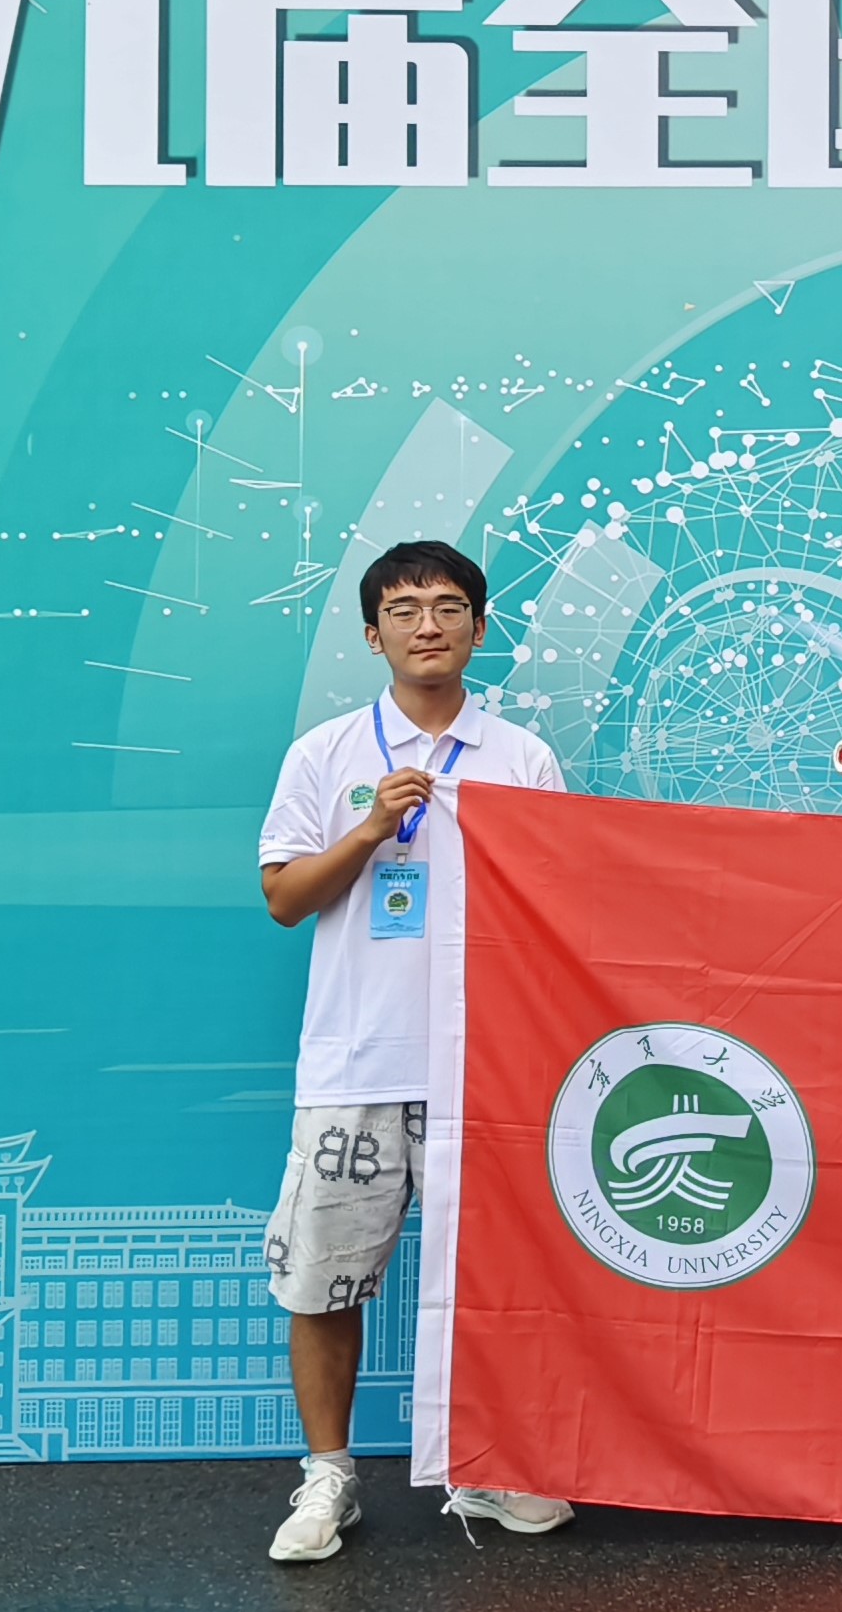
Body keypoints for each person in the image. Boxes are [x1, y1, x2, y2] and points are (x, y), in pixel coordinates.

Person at [254, 540, 575, 1562]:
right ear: (372, 633)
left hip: (485, 1068)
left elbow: (563, 905)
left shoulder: (521, 758)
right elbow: (283, 897)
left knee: (493, 1277)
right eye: (403, 609)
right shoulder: (326, 753)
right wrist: (366, 830)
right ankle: (328, 1475)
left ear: (479, 626)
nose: (426, 624)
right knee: (323, 1282)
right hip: (355, 1063)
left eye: (446, 606)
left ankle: (488, 1461)